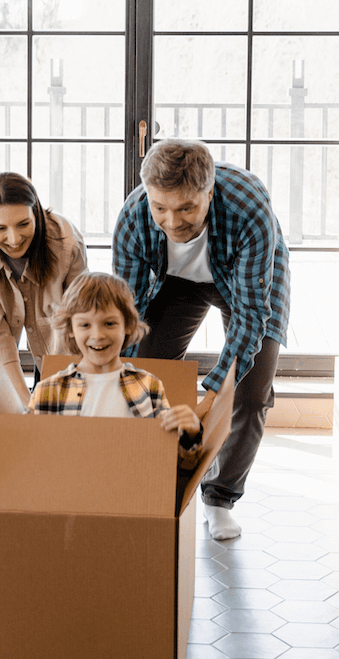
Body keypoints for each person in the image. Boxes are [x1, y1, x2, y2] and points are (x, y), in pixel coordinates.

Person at [113, 139, 290, 540]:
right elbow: (126, 313)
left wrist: (209, 398)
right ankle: (148, 476)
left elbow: (250, 318)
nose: (172, 222)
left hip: (245, 281)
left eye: (187, 208)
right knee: (142, 368)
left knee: (248, 392)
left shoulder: (248, 208)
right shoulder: (134, 217)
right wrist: (112, 377)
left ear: (209, 193)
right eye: (161, 208)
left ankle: (218, 498)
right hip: (174, 283)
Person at [0, 272, 201, 456]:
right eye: (85, 325)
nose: (97, 335)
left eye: (109, 323)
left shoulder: (148, 386)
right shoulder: (49, 391)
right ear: (70, 331)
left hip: (128, 500)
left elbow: (171, 458)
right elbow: (21, 452)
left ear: (128, 326)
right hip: (69, 503)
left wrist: (190, 432)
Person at [0, 172, 88, 382]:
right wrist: (24, 405)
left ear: (37, 215)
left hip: (58, 336)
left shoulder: (67, 242)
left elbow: (79, 319)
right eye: (0, 228)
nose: (14, 239)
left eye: (24, 224)